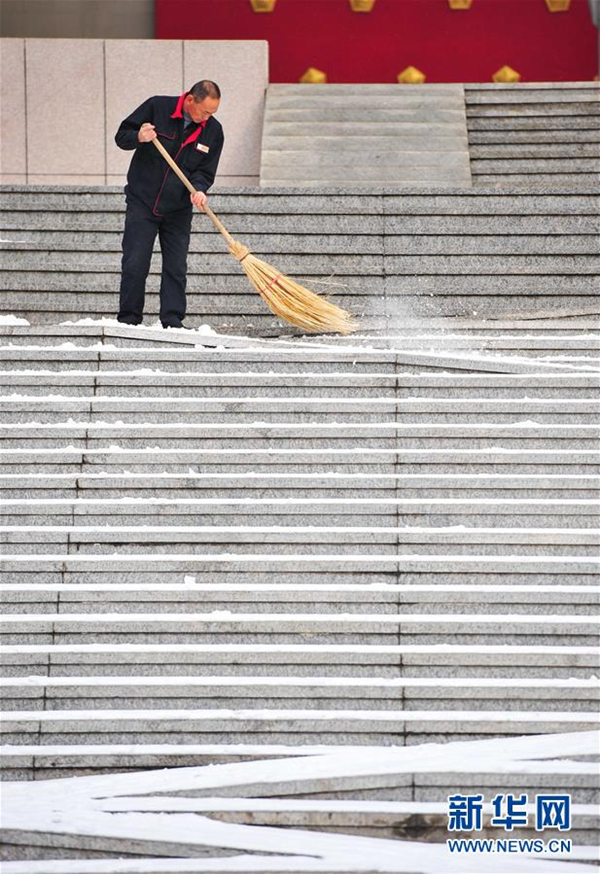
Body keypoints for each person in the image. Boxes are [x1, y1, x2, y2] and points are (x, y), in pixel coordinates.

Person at [115, 80, 224, 328]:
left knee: (176, 266)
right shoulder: (157, 107)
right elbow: (121, 136)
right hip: (142, 200)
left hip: (178, 207)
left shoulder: (213, 131)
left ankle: (172, 320)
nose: (208, 117)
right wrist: (139, 136)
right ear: (189, 101)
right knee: (135, 262)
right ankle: (129, 320)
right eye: (205, 111)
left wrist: (199, 189)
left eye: (213, 113)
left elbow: (205, 171)